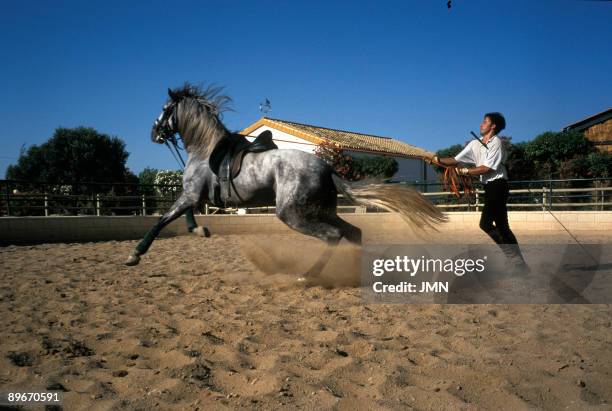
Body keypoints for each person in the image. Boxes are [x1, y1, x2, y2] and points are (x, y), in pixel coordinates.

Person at [428, 112, 529, 274]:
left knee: (486, 224)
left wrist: (466, 171)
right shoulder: (475, 144)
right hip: (490, 187)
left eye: (485, 122)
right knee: (502, 227)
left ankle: (516, 261)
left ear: (493, 126)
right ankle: (520, 265)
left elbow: (487, 168)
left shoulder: (496, 143)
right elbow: (454, 160)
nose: (481, 124)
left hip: (498, 185)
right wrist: (435, 159)